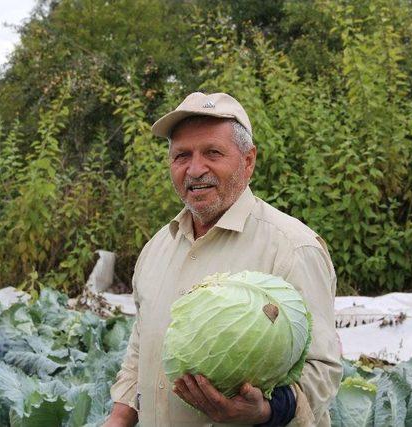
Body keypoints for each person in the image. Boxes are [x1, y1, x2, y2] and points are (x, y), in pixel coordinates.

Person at [104, 92, 342, 427]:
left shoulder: (292, 247)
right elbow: (143, 348)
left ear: (248, 161)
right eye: (181, 156)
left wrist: (266, 412)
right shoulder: (157, 248)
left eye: (212, 153)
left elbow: (323, 371)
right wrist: (119, 416)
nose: (195, 169)